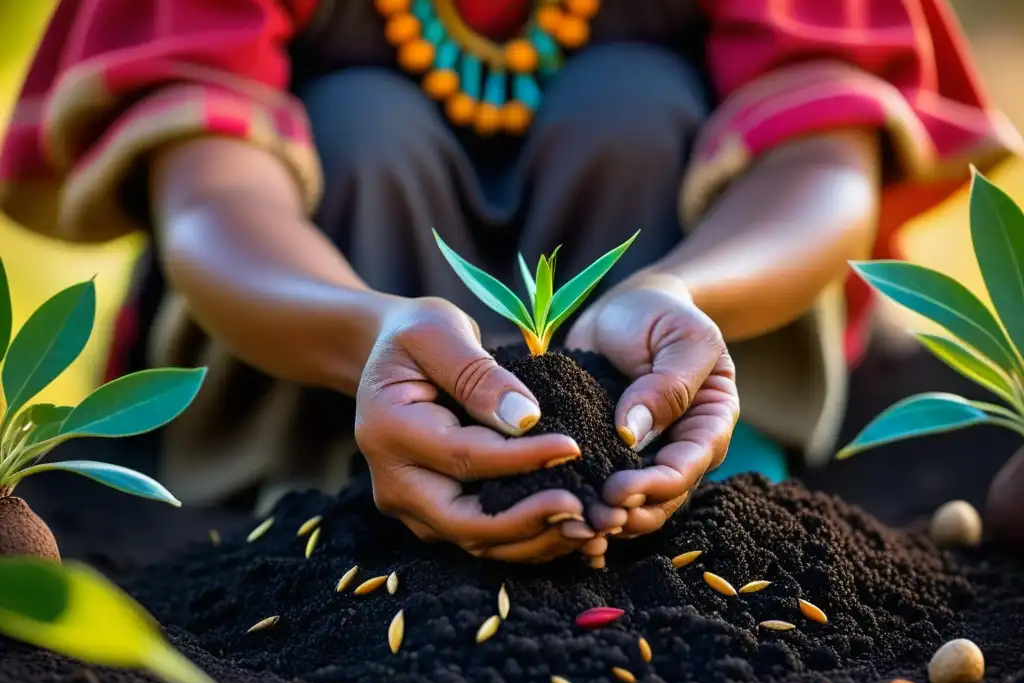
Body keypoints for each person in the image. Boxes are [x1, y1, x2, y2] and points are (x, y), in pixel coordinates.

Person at [1, 0, 1019, 566]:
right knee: (361, 130)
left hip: (675, 306)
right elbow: (210, 196)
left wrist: (690, 296)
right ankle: (323, 495)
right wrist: (368, 336)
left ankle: (714, 478)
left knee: (630, 110)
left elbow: (821, 153)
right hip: (315, 353)